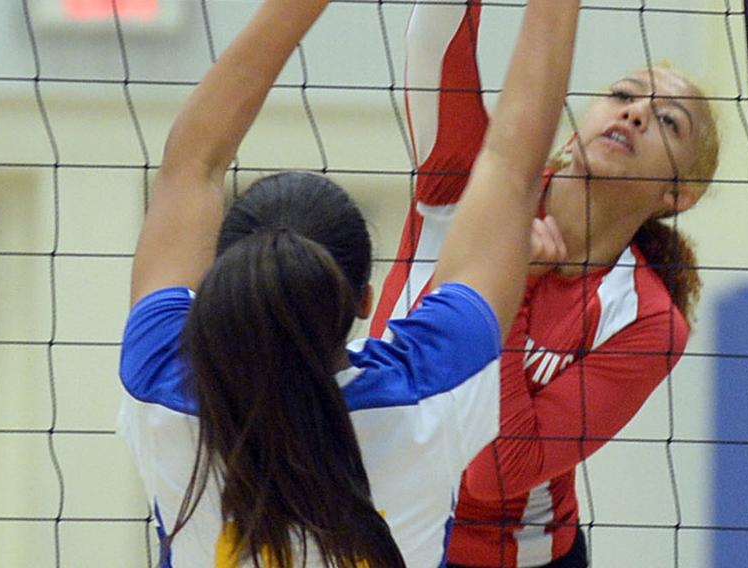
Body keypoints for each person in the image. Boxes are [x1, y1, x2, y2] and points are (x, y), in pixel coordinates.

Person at [117, 0, 581, 566]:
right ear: (364, 302)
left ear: (221, 286)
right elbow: (509, 168)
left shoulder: (161, 383)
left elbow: (191, 162)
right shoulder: (428, 394)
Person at [370, 3, 721, 568]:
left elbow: (499, 471)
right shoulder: (469, 178)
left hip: (500, 558)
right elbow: (435, 36)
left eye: (667, 121)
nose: (633, 115)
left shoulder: (648, 320)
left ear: (677, 197)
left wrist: (513, 291)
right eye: (624, 96)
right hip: (366, 531)